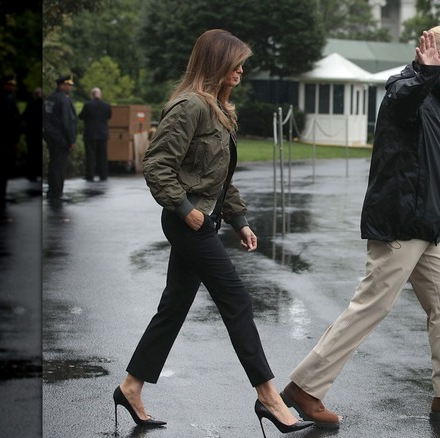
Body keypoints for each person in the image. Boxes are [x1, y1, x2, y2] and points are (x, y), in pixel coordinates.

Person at [281, 26, 440, 427]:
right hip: (400, 223)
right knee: (370, 307)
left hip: (433, 227)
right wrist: (424, 72)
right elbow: (404, 96)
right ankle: (305, 388)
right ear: (431, 54)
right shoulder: (407, 87)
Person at [115, 29, 313, 437]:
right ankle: (269, 398)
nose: (241, 70)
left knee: (173, 307)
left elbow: (219, 179)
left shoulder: (219, 109)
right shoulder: (189, 107)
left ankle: (130, 387)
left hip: (204, 218)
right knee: (237, 299)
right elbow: (156, 165)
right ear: (216, 64)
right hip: (188, 222)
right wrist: (186, 212)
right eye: (235, 63)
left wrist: (240, 220)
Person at [0, 75, 22, 220]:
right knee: (3, 168)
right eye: (11, 85)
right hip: (5, 140)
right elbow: (12, 121)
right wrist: (15, 139)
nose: (13, 88)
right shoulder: (6, 99)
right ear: (5, 85)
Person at [42, 75, 77, 201]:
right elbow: (67, 122)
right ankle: (56, 192)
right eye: (69, 85)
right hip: (61, 138)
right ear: (62, 85)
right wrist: (72, 140)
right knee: (59, 166)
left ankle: (52, 190)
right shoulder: (63, 100)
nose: (70, 88)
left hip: (51, 137)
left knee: (53, 164)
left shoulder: (49, 98)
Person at [78, 87, 112, 181]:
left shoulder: (88, 105)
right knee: (102, 155)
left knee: (90, 155)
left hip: (90, 133)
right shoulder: (106, 105)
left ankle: (90, 175)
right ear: (100, 94)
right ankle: (103, 175)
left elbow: (81, 116)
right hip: (103, 133)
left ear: (92, 95)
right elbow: (109, 116)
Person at [22, 87, 44, 184]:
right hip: (38, 134)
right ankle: (37, 173)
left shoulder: (31, 104)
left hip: (31, 134)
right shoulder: (42, 104)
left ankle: (32, 174)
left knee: (32, 154)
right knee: (37, 154)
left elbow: (24, 116)